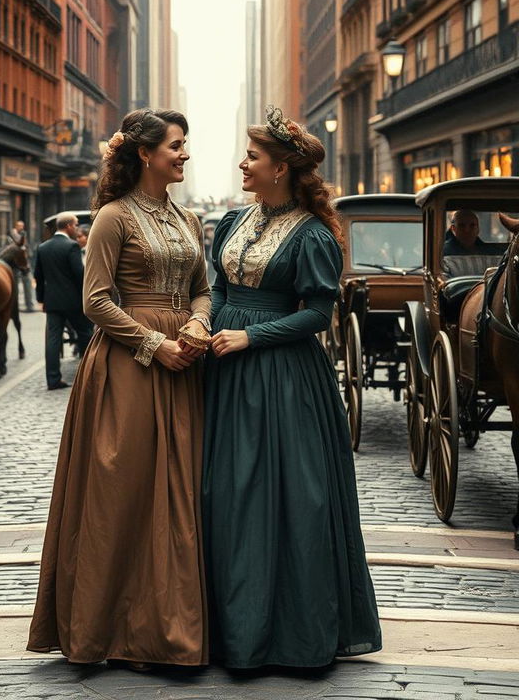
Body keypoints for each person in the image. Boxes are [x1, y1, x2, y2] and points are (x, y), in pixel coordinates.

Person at [27, 108, 211, 668]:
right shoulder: (113, 217)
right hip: (130, 369)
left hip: (188, 364)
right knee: (122, 494)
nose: (184, 154)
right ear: (145, 155)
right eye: (176, 146)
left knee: (181, 495)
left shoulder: (188, 221)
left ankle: (172, 626)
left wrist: (199, 323)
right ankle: (109, 629)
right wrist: (156, 345)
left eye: (185, 145)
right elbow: (96, 301)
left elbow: (203, 288)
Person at [202, 106, 381, 670]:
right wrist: (207, 329)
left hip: (283, 377)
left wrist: (249, 337)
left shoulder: (312, 235)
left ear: (281, 168)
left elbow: (318, 315)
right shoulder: (232, 222)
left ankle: (287, 635)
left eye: (252, 157)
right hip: (225, 373)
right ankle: (228, 628)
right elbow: (218, 287)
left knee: (286, 498)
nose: (242, 163)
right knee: (225, 494)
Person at [34, 212, 93, 390]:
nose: (76, 228)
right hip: (73, 301)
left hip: (52, 302)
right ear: (68, 226)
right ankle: (88, 374)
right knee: (86, 333)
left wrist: (41, 299)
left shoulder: (43, 247)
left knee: (53, 339)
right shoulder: (71, 247)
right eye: (75, 225)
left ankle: (53, 380)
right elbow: (79, 275)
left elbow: (39, 275)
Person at [9, 220, 35, 311]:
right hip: (15, 264)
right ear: (16, 226)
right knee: (15, 286)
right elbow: (18, 241)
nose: (21, 228)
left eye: (22, 226)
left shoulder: (22, 234)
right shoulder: (14, 233)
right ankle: (15, 306)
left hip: (24, 263)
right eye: (19, 226)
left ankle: (29, 305)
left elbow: (25, 247)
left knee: (27, 283)